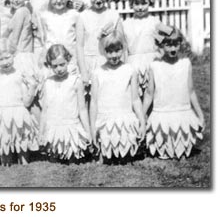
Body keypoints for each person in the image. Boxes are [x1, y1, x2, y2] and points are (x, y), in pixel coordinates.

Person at [143, 25, 204, 159]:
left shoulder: (185, 63)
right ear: (161, 45)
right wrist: (142, 116)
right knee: (163, 150)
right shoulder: (155, 65)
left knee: (182, 150)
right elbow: (149, 94)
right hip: (162, 112)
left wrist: (200, 115)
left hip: (182, 110)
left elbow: (191, 91)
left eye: (176, 44)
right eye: (169, 45)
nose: (173, 48)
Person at [90, 25, 145, 163]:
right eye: (109, 51)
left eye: (117, 50)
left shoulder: (130, 70)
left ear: (123, 48)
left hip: (124, 119)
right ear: (103, 51)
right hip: (105, 119)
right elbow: (94, 103)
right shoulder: (97, 73)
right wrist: (93, 127)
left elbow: (135, 100)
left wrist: (142, 122)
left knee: (125, 159)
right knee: (106, 158)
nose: (114, 55)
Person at [0, 39, 39, 166]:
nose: (5, 62)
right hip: (1, 114)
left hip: (18, 113)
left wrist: (32, 87)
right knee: (4, 144)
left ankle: (25, 165)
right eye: (0, 59)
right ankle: (6, 166)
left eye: (7, 57)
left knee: (22, 142)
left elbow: (27, 102)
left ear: (13, 55)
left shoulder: (19, 74)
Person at [39, 45, 91, 161]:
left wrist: (88, 132)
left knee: (73, 161)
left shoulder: (75, 81)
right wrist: (41, 133)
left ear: (68, 61)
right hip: (53, 128)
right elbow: (44, 111)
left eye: (62, 64)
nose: (59, 69)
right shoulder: (48, 83)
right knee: (54, 163)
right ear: (50, 65)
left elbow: (82, 110)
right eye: (55, 66)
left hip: (71, 127)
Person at [76, 0, 122, 89]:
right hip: (89, 64)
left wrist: (122, 67)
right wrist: (83, 72)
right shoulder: (83, 17)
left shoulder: (113, 15)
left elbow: (122, 43)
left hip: (110, 61)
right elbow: (79, 46)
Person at [123, 0, 162, 96]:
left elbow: (162, 44)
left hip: (151, 63)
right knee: (134, 96)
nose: (140, 7)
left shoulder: (154, 22)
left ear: (149, 2)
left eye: (144, 3)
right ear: (131, 4)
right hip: (132, 64)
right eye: (137, 3)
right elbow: (124, 48)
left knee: (152, 94)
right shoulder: (126, 24)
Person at [39, 0, 80, 75]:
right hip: (53, 63)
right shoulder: (45, 16)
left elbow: (79, 42)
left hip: (70, 61)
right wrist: (42, 60)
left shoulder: (74, 15)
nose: (58, 1)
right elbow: (45, 41)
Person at [5, 0, 36, 77]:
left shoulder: (21, 12)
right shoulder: (19, 11)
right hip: (21, 54)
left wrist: (8, 55)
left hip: (21, 55)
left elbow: (15, 38)